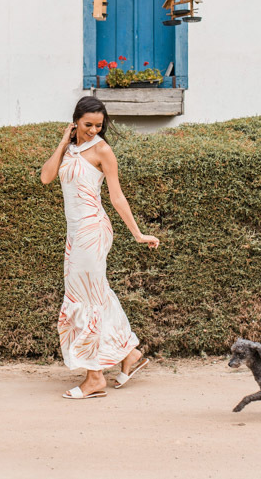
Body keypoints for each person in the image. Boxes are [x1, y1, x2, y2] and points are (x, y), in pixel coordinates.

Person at [40, 96, 159, 399]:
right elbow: (46, 177)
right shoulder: (69, 149)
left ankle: (95, 378)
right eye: (87, 124)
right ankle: (130, 355)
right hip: (75, 233)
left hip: (93, 230)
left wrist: (137, 233)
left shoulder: (103, 150)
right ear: (76, 121)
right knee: (98, 295)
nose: (93, 130)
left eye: (98, 125)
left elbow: (117, 197)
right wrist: (63, 142)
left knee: (87, 299)